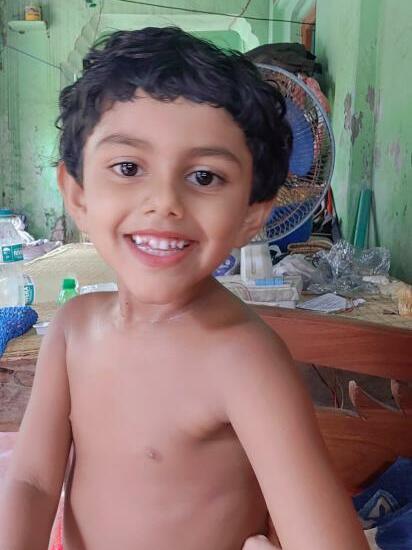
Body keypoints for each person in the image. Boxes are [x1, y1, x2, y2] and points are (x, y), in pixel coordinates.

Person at [0, 27, 368, 550]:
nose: (165, 202)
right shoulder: (72, 328)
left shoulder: (244, 360)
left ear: (252, 214)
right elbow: (34, 482)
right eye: (128, 167)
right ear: (77, 196)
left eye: (204, 177)